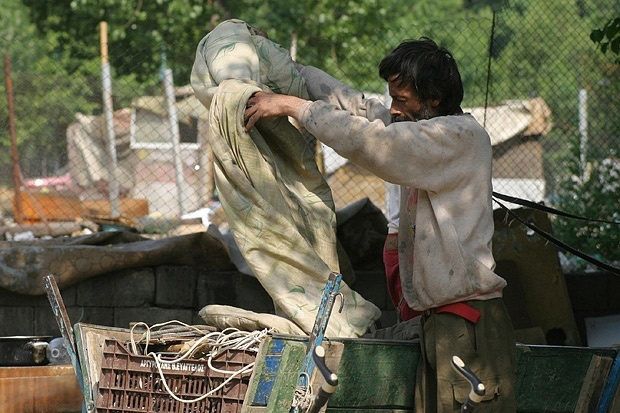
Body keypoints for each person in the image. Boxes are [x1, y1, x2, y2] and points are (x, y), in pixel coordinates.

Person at [244, 37, 516, 412]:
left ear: (434, 98)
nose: (393, 109)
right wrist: (291, 71)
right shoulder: (418, 125)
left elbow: (372, 140)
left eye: (401, 100)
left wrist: (292, 106)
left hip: (467, 328)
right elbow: (357, 107)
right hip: (439, 324)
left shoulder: (457, 138)